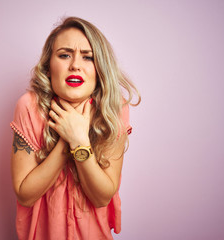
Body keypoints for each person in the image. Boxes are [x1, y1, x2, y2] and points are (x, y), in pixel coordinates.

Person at [10, 16, 140, 240]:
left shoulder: (114, 109)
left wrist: (80, 141)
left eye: (87, 57)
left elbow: (101, 197)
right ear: (48, 67)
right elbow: (25, 195)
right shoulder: (29, 107)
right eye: (64, 55)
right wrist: (67, 139)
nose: (75, 65)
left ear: (99, 69)